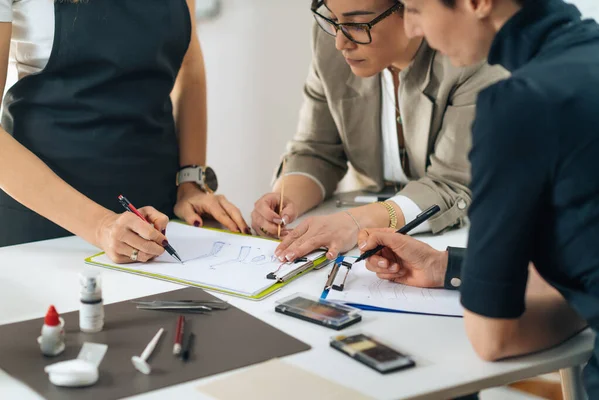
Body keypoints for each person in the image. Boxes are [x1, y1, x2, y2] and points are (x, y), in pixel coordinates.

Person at [358, 0, 599, 395]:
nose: (414, 29)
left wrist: (582, 306)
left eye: (416, 9)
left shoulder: (520, 104)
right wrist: (448, 267)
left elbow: (494, 338)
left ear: (477, 3)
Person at [251, 0, 507, 263]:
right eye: (332, 18)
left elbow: (453, 185)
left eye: (356, 23)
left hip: (466, 239)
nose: (340, 42)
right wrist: (286, 198)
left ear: (412, 9)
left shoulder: (470, 53)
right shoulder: (329, 42)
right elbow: (316, 149)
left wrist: (356, 222)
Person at [0, 0, 249, 262]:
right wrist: (100, 226)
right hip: (45, 227)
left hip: (156, 221)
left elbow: (190, 65)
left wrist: (191, 184)